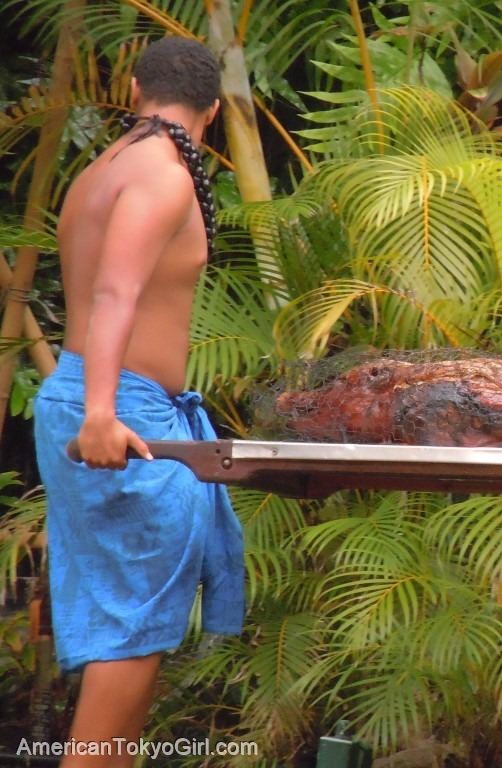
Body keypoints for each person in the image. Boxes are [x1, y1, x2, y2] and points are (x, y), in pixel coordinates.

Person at [32, 37, 244, 766]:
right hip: (119, 415)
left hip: (92, 401)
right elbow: (114, 291)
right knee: (127, 656)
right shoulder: (163, 175)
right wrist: (101, 412)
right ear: (211, 113)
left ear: (132, 88)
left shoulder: (101, 169)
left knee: (124, 647)